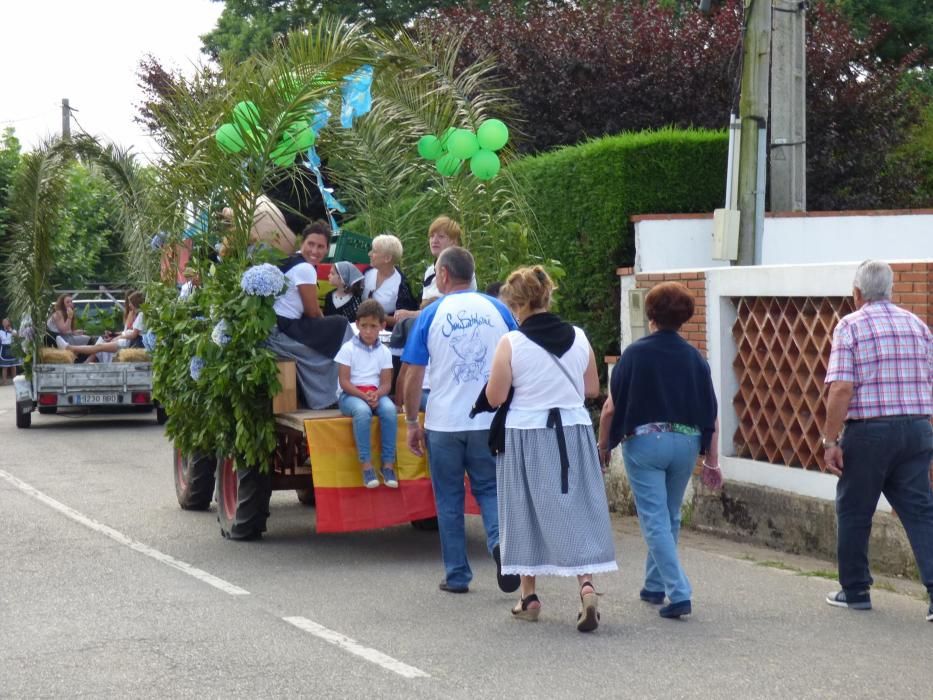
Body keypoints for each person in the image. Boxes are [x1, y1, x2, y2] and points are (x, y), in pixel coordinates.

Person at [479, 266, 617, 631]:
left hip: (527, 432)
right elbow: (590, 388)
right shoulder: (579, 336)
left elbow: (495, 397)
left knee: (523, 508)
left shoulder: (511, 343)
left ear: (516, 304)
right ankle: (586, 585)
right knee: (576, 506)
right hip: (573, 430)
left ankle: (529, 596)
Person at [401, 246, 520, 595]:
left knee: (449, 499)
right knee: (489, 489)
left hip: (444, 423)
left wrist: (411, 421)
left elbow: (412, 374)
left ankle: (457, 575)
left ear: (442, 275)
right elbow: (520, 358)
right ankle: (500, 545)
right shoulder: (498, 309)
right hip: (489, 420)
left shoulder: (431, 314)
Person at [597, 281, 719, 620]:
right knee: (669, 515)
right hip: (686, 441)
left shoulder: (635, 354)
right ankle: (654, 584)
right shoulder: (695, 358)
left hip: (646, 442)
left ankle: (679, 591)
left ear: (651, 315)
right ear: (683, 318)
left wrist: (604, 445)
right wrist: (712, 459)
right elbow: (711, 411)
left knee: (653, 519)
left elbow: (610, 409)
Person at [820, 260, 933, 622]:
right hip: (916, 428)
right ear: (891, 289)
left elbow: (841, 388)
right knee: (920, 512)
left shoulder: (850, 325)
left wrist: (830, 440)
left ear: (857, 292)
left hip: (870, 431)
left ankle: (855, 591)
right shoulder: (917, 325)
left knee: (855, 510)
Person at [266, 222, 352, 409]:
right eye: (311, 244)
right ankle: (340, 390)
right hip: (283, 331)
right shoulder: (305, 268)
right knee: (341, 326)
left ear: (327, 249)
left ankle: (329, 392)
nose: (315, 250)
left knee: (331, 330)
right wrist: (325, 329)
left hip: (275, 328)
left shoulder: (290, 261)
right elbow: (312, 312)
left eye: (320, 246)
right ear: (302, 243)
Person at [335, 300, 398, 489]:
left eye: (373, 326)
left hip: (375, 394)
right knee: (362, 412)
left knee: (389, 410)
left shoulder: (385, 351)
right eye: (364, 326)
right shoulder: (348, 349)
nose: (368, 331)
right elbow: (344, 382)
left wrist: (377, 394)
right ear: (357, 325)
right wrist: (365, 397)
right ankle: (366, 466)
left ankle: (387, 465)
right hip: (351, 395)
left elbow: (387, 383)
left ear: (382, 326)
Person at [58, 292, 146, 363]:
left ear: (135, 303)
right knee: (99, 345)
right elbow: (130, 332)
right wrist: (114, 335)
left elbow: (133, 335)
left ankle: (69, 348)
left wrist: (118, 337)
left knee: (99, 346)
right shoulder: (137, 314)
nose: (129, 305)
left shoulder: (141, 315)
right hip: (126, 341)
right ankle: (77, 354)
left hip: (127, 342)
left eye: (130, 303)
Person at [362, 233, 418, 328]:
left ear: (387, 258)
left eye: (374, 251)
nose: (369, 254)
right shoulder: (366, 273)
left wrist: (378, 317)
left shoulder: (401, 285)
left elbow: (405, 320)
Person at [0, 318, 22, 383]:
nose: (5, 323)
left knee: (13, 366)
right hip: (4, 349)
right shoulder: (0, 331)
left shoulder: (13, 330)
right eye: (4, 322)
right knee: (5, 366)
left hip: (12, 348)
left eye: (6, 322)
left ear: (9, 323)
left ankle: (15, 380)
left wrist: (11, 330)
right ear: (2, 324)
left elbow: (17, 336)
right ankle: (4, 381)